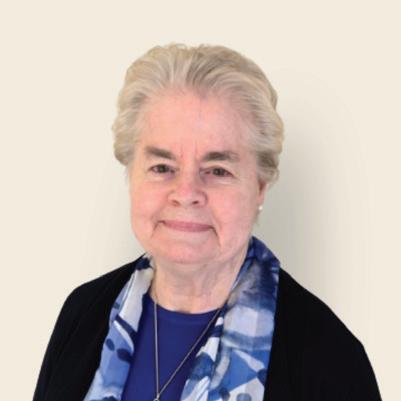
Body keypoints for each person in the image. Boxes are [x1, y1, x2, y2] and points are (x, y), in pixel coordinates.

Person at [33, 44, 382, 401]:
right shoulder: (84, 313)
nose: (186, 193)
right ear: (131, 175)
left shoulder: (330, 360)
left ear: (260, 187)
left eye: (217, 170)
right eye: (162, 167)